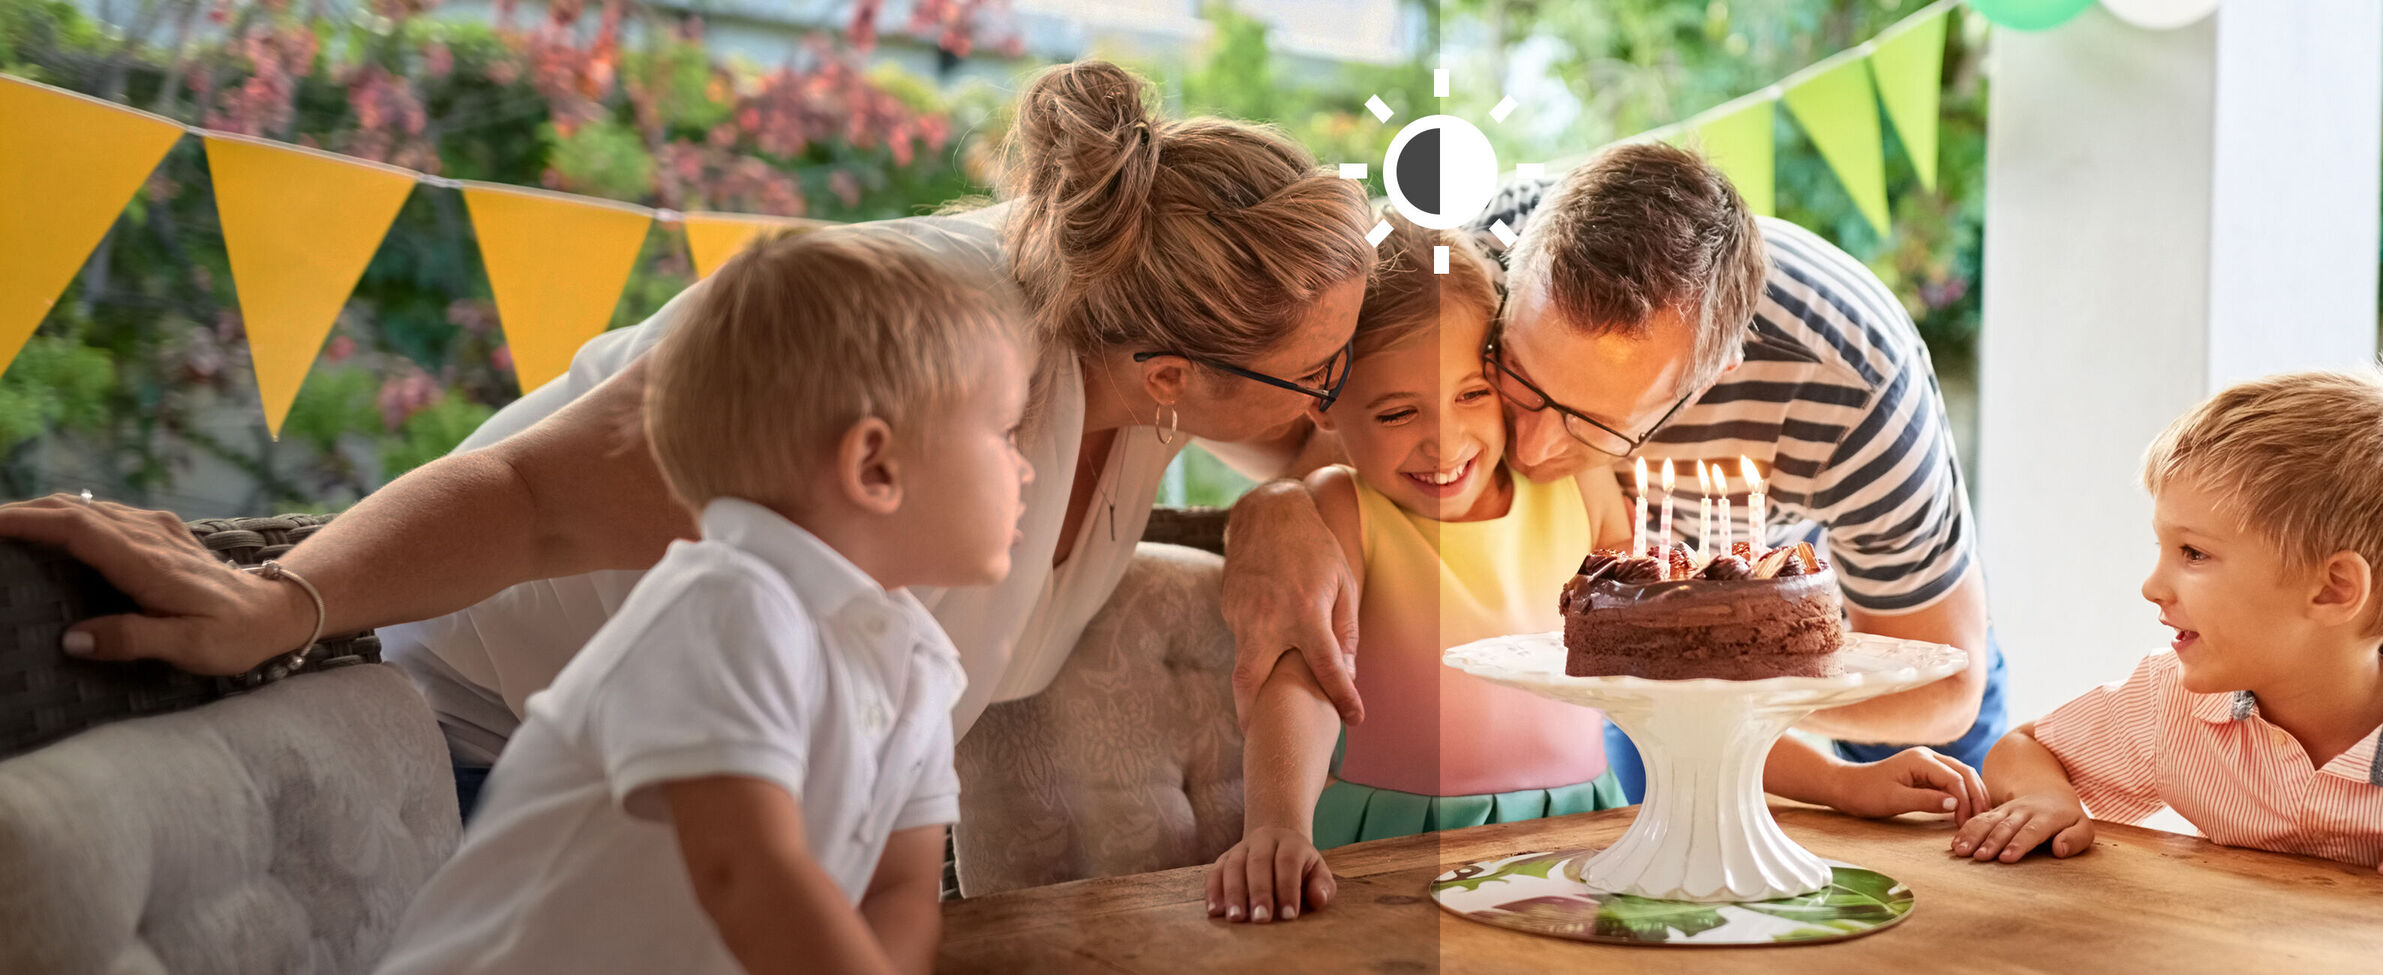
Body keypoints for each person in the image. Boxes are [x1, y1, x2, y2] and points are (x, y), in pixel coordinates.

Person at [1, 60, 1373, 824]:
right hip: (502, 770)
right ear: (1179, 368)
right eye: (1319, 378)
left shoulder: (1122, 358)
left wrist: (1302, 498)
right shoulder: (915, 332)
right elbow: (535, 496)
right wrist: (281, 600)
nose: (1338, 397)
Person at [1197, 216, 1998, 924]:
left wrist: (1841, 784)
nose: (1443, 442)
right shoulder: (1341, 507)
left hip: (1585, 830)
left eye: (1473, 393)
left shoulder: (1578, 489)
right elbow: (1302, 677)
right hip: (1399, 840)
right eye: (1397, 411)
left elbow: (1668, 695)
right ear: (1325, 409)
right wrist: (1277, 825)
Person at [378, 229, 1029, 974]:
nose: (1027, 467)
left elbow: (900, 894)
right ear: (874, 464)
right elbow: (747, 874)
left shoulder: (919, 663)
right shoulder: (728, 605)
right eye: (1006, 432)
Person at [1949, 365, 2383, 913]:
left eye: (2193, 553)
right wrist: (2048, 799)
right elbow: (2023, 748)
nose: (2153, 586)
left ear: (2333, 589)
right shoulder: (2169, 704)